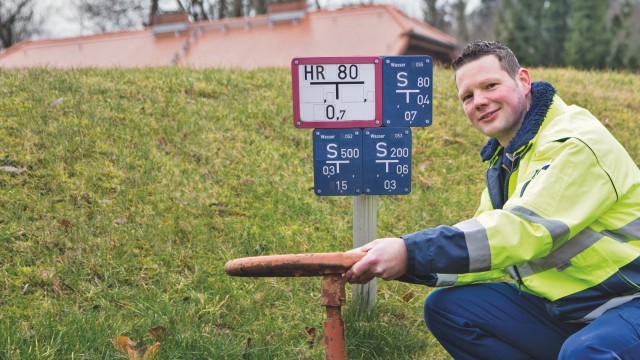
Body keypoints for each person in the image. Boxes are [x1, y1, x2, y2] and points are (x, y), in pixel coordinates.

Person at [345, 40, 640, 359]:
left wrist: (410, 251)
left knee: (585, 352)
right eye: (468, 96)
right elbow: (486, 250)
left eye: (490, 86)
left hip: (630, 301)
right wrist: (401, 261)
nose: (480, 101)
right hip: (570, 312)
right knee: (449, 309)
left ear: (523, 81)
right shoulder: (508, 161)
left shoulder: (574, 142)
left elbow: (521, 231)